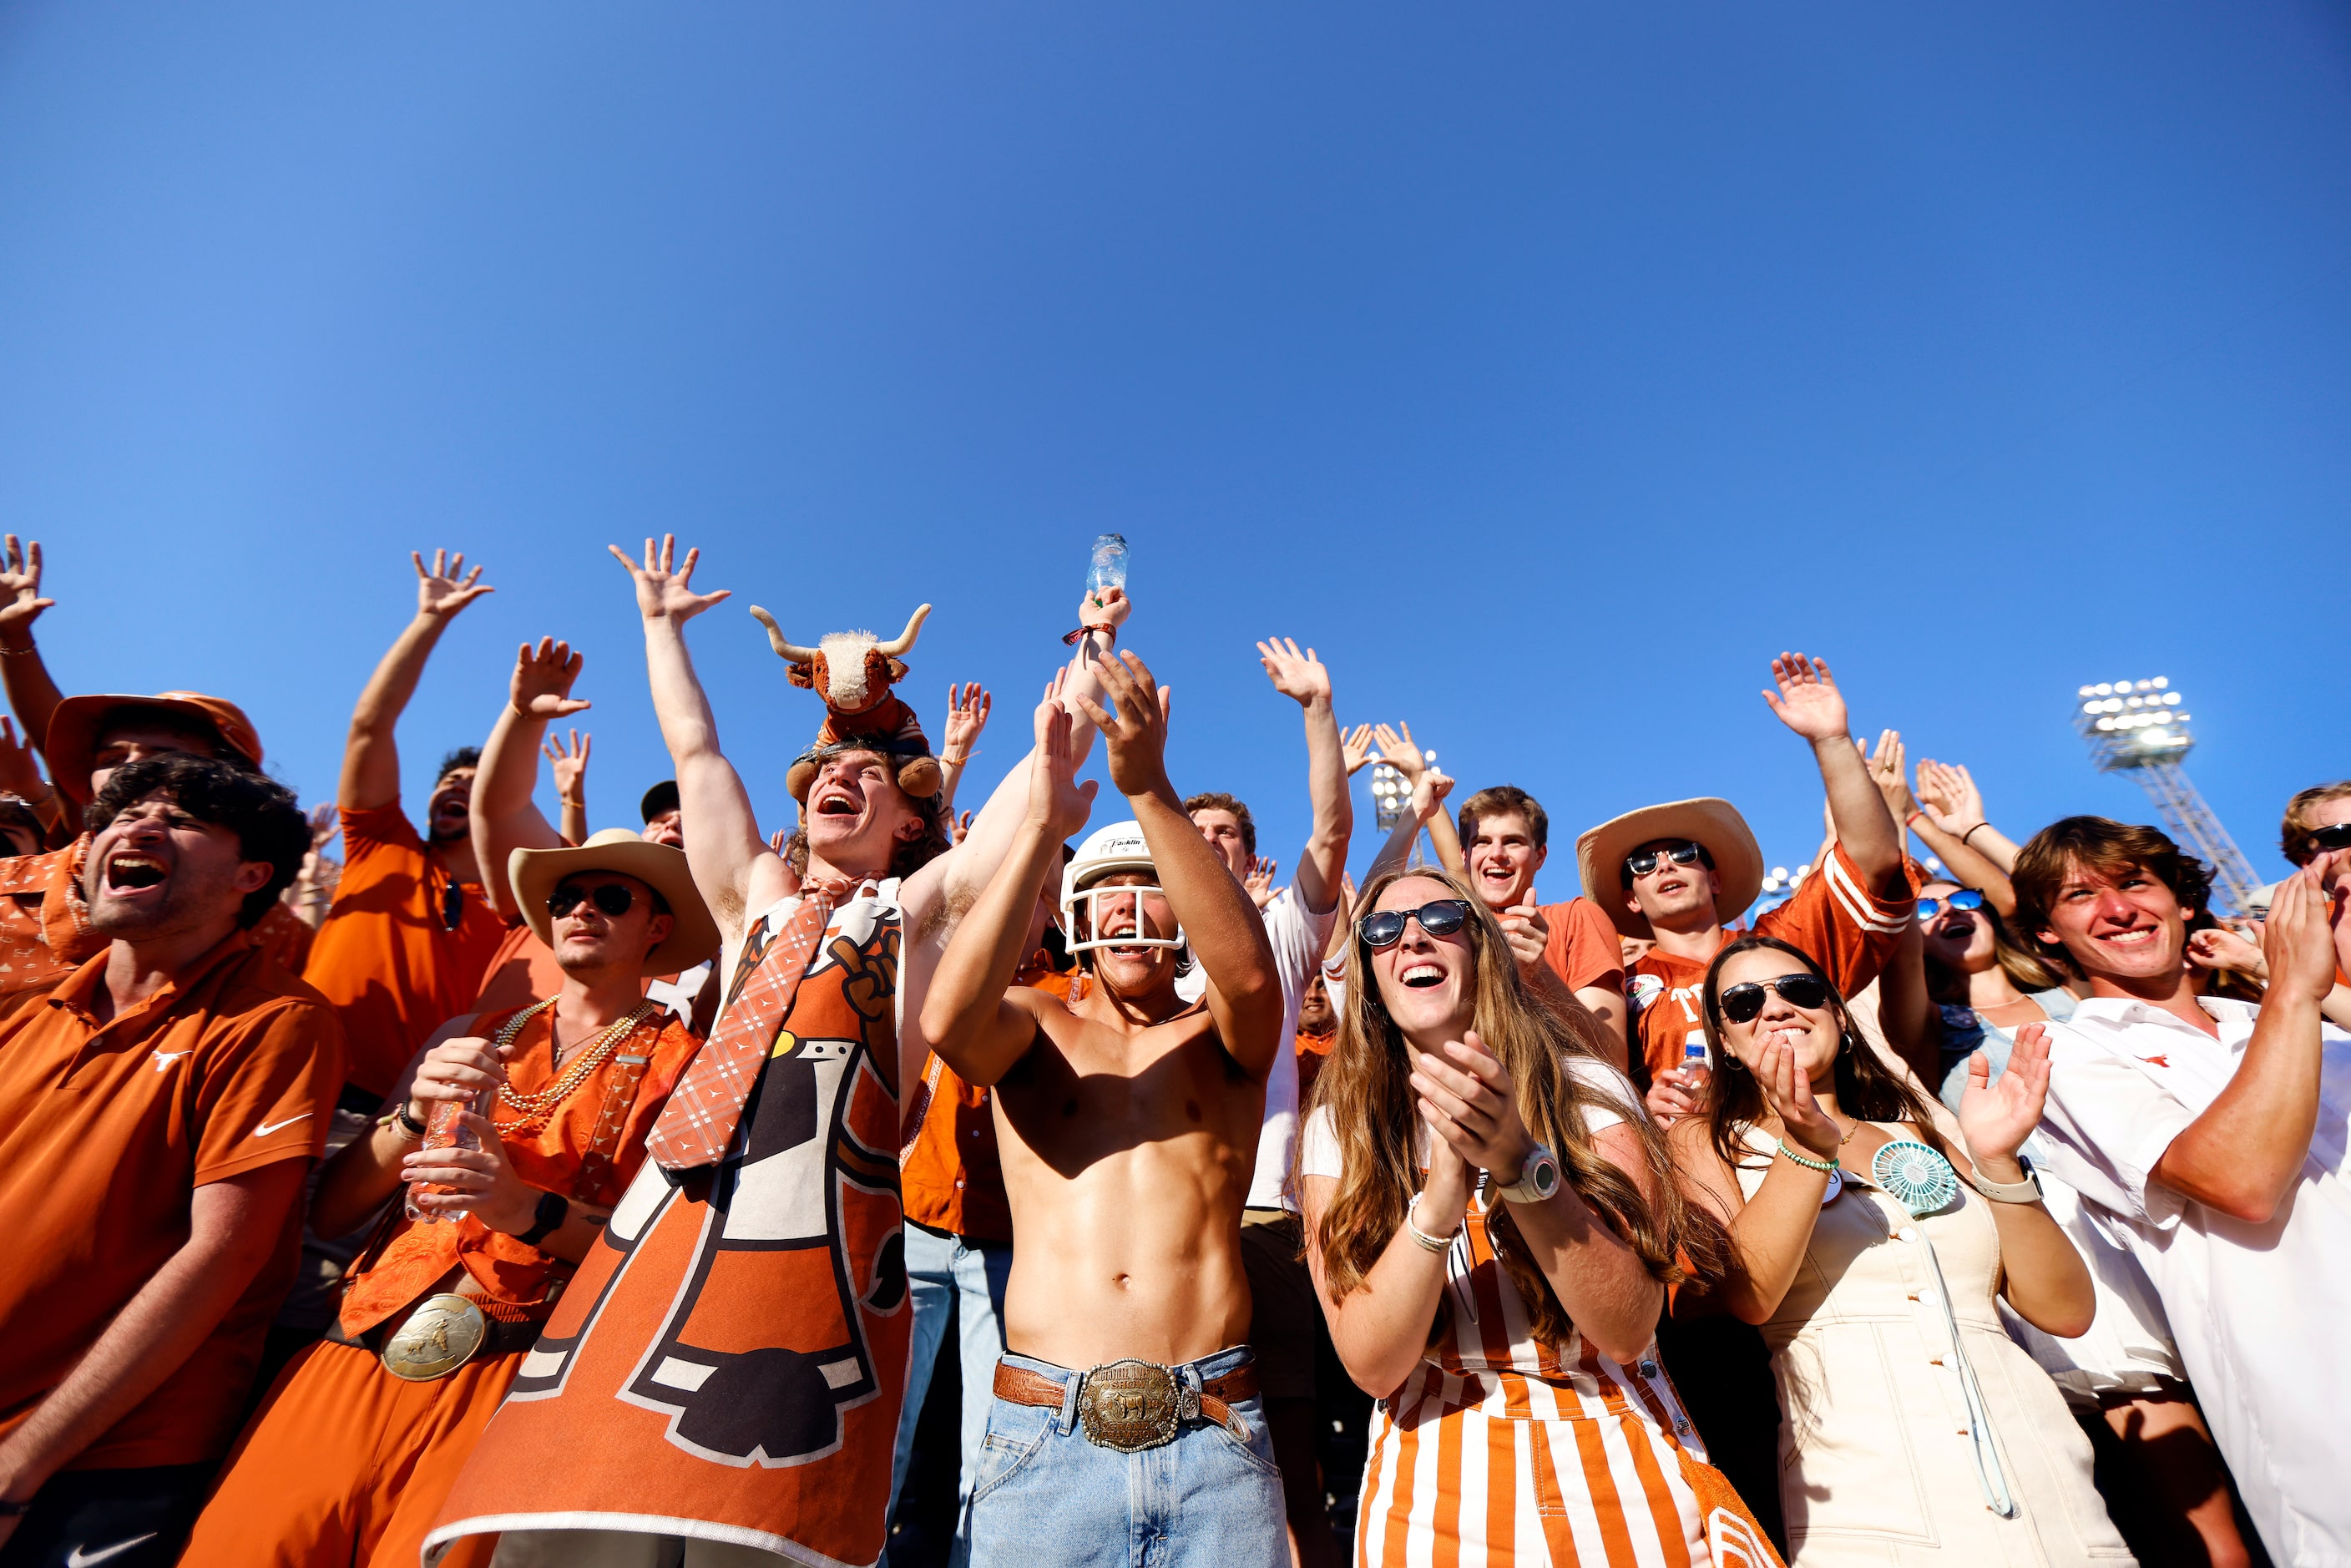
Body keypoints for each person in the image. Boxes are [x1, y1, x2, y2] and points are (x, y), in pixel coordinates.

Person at [426, 537, 1128, 1568]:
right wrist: (660, 628)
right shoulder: (753, 899)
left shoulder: (919, 913)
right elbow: (699, 752)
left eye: (866, 775)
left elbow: (1035, 787)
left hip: (821, 1241)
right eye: (824, 771)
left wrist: (1095, 644)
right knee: (586, 1509)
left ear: (907, 822)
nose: (838, 774)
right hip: (670, 1224)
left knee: (754, 1533)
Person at [179, 830, 715, 1568]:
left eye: (612, 898)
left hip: (517, 1374)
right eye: (567, 898)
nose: (583, 910)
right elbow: (331, 1215)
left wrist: (525, 1210)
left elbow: (673, 1259)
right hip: (360, 1341)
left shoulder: (688, 1067)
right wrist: (405, 1120)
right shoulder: (465, 1036)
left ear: (657, 928)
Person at [919, 655, 1287, 1567]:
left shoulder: (1224, 1036)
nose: (1126, 910)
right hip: (1046, 1423)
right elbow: (946, 1020)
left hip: (1211, 1426)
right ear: (1074, 912)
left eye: (1147, 888)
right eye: (1104, 892)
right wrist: (1041, 826)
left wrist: (1149, 789)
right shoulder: (1037, 1021)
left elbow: (1244, 972)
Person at [1297, 864, 1776, 1565]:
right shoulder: (1343, 1124)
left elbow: (1627, 1327)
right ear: (1366, 974)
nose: (1412, 941)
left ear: (1482, 946)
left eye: (1441, 920)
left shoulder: (1586, 1087)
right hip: (1430, 1480)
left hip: (1615, 1453)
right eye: (1382, 930)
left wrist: (1524, 1167)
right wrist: (1442, 1194)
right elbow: (1371, 1364)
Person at [1664, 932, 2131, 1564]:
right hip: (1867, 1502)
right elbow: (1750, 1295)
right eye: (1744, 1003)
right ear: (1725, 1042)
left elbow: (2065, 1310)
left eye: (1798, 991)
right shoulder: (1706, 1141)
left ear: (1837, 1014)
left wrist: (1997, 1162)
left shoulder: (1919, 1129)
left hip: (2047, 1480)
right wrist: (1804, 1143)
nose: (1774, 1009)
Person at [0, 755, 336, 1568]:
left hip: (95, 1467)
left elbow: (223, 1253)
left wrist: (22, 1463)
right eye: (125, 813)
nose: (140, 828)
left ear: (251, 875)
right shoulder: (28, 1017)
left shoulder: (276, 1020)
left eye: (182, 821)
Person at [2015, 816, 2351, 1565]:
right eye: (2080, 896)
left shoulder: (2293, 1019)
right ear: (2045, 934)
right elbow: (2242, 1184)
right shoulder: (2067, 1056)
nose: (2119, 909)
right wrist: (2296, 990)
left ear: (2182, 901)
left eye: (2135, 882)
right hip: (2316, 1401)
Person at [1903, 875, 2252, 1568]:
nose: (1948, 913)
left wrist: (1958, 829)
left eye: (1962, 899)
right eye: (1925, 908)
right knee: (2183, 1496)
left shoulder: (2082, 993)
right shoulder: (1925, 1026)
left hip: (2169, 1207)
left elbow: (2063, 899)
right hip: (2070, 1236)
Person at [1176, 635, 1352, 1567]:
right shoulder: (1136, 948)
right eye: (1189, 833)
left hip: (1263, 1219)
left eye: (1224, 836)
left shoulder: (1280, 934)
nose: (1205, 846)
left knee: (1288, 1461)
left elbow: (1330, 837)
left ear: (1251, 858)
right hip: (1158, 1231)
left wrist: (1315, 713)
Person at [303, 551, 510, 1100]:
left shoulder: (515, 910)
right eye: (450, 780)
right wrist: (430, 621)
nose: (457, 785)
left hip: (400, 1122)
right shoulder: (377, 842)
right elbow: (371, 725)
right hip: (293, 1074)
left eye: (477, 782)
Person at [1361, 732, 1630, 1062]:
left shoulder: (1575, 916)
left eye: (1513, 841)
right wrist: (1420, 778)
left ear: (1540, 855)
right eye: (1483, 842)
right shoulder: (1456, 922)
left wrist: (1539, 973)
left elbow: (1614, 1056)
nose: (1496, 854)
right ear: (1466, 854)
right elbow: (1367, 912)